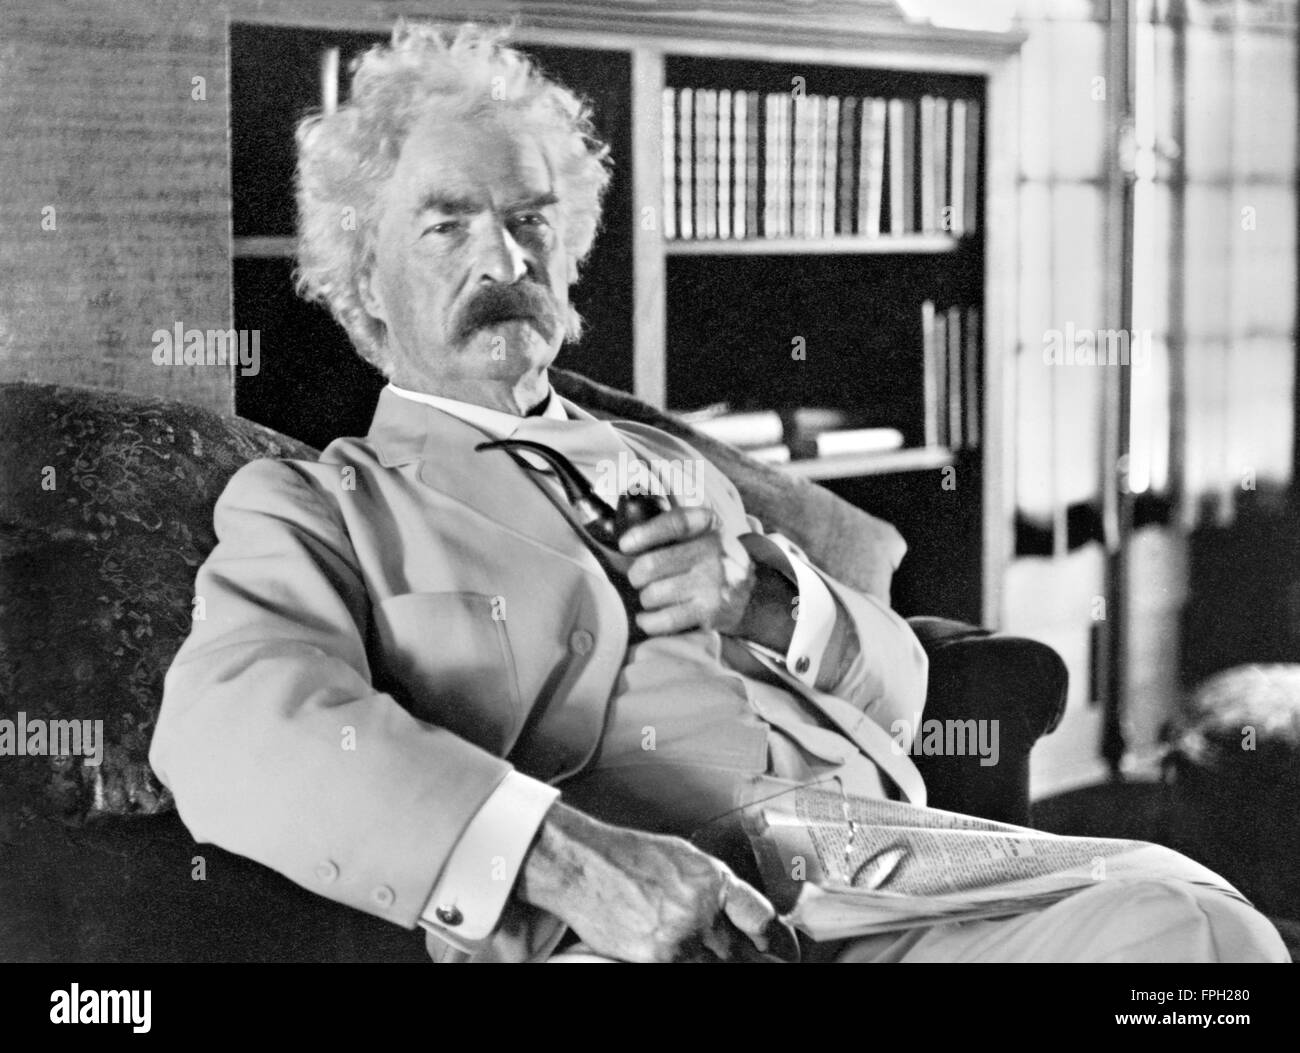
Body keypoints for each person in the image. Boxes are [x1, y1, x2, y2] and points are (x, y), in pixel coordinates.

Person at [149, 21, 1287, 964]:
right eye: (447, 224)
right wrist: (571, 859)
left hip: (871, 864)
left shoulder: (673, 466)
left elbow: (900, 697)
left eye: (531, 219)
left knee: (1195, 929)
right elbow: (235, 723)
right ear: (362, 290)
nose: (504, 262)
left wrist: (768, 600)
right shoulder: (324, 505)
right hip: (667, 910)